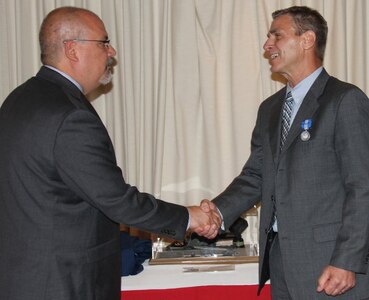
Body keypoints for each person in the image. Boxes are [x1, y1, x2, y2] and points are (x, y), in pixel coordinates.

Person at [0, 7, 220, 300]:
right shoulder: (69, 115)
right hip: (63, 284)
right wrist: (188, 218)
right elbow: (117, 201)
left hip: (26, 278)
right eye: (104, 42)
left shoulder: (19, 99)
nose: (112, 51)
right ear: (72, 50)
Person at [201, 5, 369, 299]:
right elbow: (255, 176)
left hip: (332, 264)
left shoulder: (345, 100)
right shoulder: (270, 109)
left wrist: (346, 260)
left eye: (276, 36)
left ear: (307, 40)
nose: (267, 45)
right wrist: (216, 211)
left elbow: (363, 186)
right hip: (281, 262)